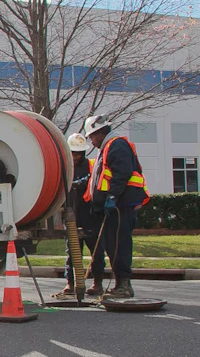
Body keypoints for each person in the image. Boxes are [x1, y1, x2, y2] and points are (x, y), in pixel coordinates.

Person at [83, 114, 150, 300]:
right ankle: (121, 284)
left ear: (98, 133)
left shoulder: (116, 145)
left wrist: (112, 197)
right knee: (113, 245)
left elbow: (122, 174)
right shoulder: (107, 148)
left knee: (119, 246)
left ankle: (123, 284)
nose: (91, 141)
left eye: (91, 137)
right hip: (113, 206)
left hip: (120, 206)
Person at [52, 133, 100, 299]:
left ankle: (97, 282)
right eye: (72, 153)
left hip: (90, 215)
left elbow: (93, 182)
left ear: (83, 153)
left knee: (96, 250)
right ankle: (70, 283)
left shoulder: (92, 166)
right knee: (72, 251)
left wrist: (77, 184)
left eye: (78, 153)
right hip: (71, 215)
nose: (74, 156)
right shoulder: (64, 168)